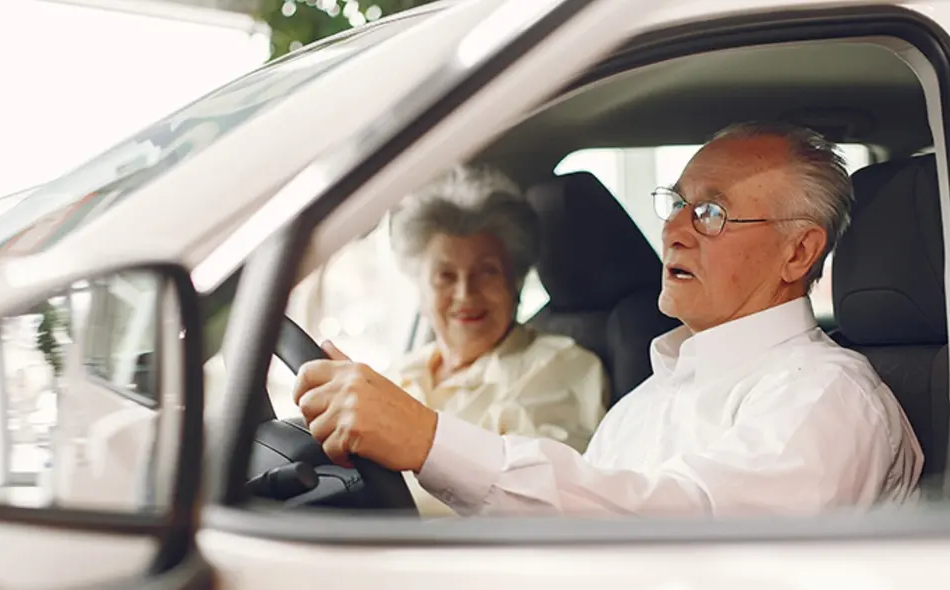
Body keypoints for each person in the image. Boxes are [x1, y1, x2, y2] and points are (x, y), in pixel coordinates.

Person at [292, 122, 924, 517]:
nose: (673, 230)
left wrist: (428, 440)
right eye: (676, 203)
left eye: (710, 213)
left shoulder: (829, 398)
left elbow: (687, 534)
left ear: (799, 252)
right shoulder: (646, 401)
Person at [385, 166, 606, 453]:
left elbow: (537, 475)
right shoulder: (405, 370)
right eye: (446, 276)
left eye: (487, 272)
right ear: (421, 287)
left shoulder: (559, 366)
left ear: (516, 281)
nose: (465, 293)